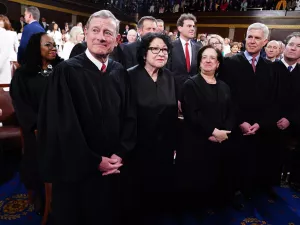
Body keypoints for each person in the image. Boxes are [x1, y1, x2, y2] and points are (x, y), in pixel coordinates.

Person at [37, 10, 136, 225]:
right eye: (96, 30)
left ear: (117, 40)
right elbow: (62, 126)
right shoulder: (66, 72)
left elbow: (130, 116)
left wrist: (121, 152)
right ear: (85, 34)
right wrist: (94, 161)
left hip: (114, 167)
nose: (101, 37)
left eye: (108, 32)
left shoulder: (120, 73)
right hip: (78, 173)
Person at [219, 23, 274, 202]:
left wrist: (260, 123)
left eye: (257, 38)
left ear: (265, 41)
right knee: (232, 165)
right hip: (235, 124)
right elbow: (226, 96)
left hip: (258, 127)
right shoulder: (229, 63)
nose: (252, 41)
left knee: (253, 163)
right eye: (250, 36)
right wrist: (240, 121)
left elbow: (270, 99)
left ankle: (248, 190)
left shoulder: (270, 67)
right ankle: (231, 194)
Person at [126, 32, 177, 225]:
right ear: (144, 52)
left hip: (163, 147)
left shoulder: (170, 77)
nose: (161, 53)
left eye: (164, 49)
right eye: (155, 49)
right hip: (137, 148)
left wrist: (173, 145)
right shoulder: (129, 76)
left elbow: (172, 115)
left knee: (159, 193)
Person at [177, 45, 234, 214]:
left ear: (218, 64)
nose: (208, 61)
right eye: (204, 57)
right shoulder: (190, 84)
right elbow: (192, 113)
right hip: (197, 140)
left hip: (221, 140)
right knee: (197, 180)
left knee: (216, 176)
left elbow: (231, 111)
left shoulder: (224, 86)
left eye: (212, 58)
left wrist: (226, 132)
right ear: (199, 62)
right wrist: (212, 132)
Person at [10, 32, 62, 214]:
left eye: (54, 44)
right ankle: (38, 195)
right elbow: (20, 103)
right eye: (48, 45)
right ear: (35, 48)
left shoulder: (62, 69)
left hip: (63, 127)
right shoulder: (23, 75)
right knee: (35, 160)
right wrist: (35, 125)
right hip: (36, 129)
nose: (53, 48)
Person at [272, 32, 300, 188]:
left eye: (298, 46)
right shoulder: (269, 68)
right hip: (269, 123)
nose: (293, 48)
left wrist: (290, 119)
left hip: (293, 124)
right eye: (291, 44)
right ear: (284, 47)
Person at [167, 13, 201, 101]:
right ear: (180, 28)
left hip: (194, 95)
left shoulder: (198, 48)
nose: (192, 29)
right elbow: (167, 73)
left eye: (193, 26)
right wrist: (174, 97)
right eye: (189, 26)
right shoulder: (170, 47)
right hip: (174, 95)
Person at [0, 15, 19, 84]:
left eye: (1, 20)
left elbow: (17, 48)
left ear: (5, 22)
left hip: (10, 60)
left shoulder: (12, 34)